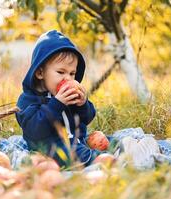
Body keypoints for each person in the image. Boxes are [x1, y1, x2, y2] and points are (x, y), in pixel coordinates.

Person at [16, 30, 105, 167]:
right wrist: (57, 104)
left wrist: (83, 104)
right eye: (61, 72)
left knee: (100, 141)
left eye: (72, 73)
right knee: (74, 153)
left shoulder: (68, 94)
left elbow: (86, 118)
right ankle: (99, 160)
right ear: (40, 73)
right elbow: (35, 130)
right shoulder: (28, 100)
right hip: (49, 149)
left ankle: (122, 147)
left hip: (76, 141)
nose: (68, 78)